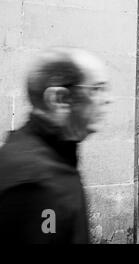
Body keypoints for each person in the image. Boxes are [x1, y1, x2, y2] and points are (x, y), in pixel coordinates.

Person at [0, 47, 110, 244]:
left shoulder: (57, 154)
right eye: (96, 89)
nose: (108, 99)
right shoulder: (36, 187)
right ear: (59, 99)